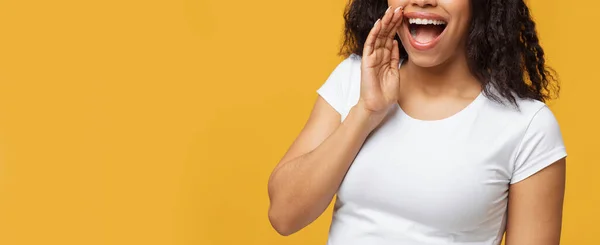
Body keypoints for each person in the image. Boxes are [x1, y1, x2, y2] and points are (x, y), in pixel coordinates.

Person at [267, 0, 567, 244]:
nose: (423, 0)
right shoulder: (353, 78)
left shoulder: (527, 126)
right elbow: (284, 215)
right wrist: (366, 111)